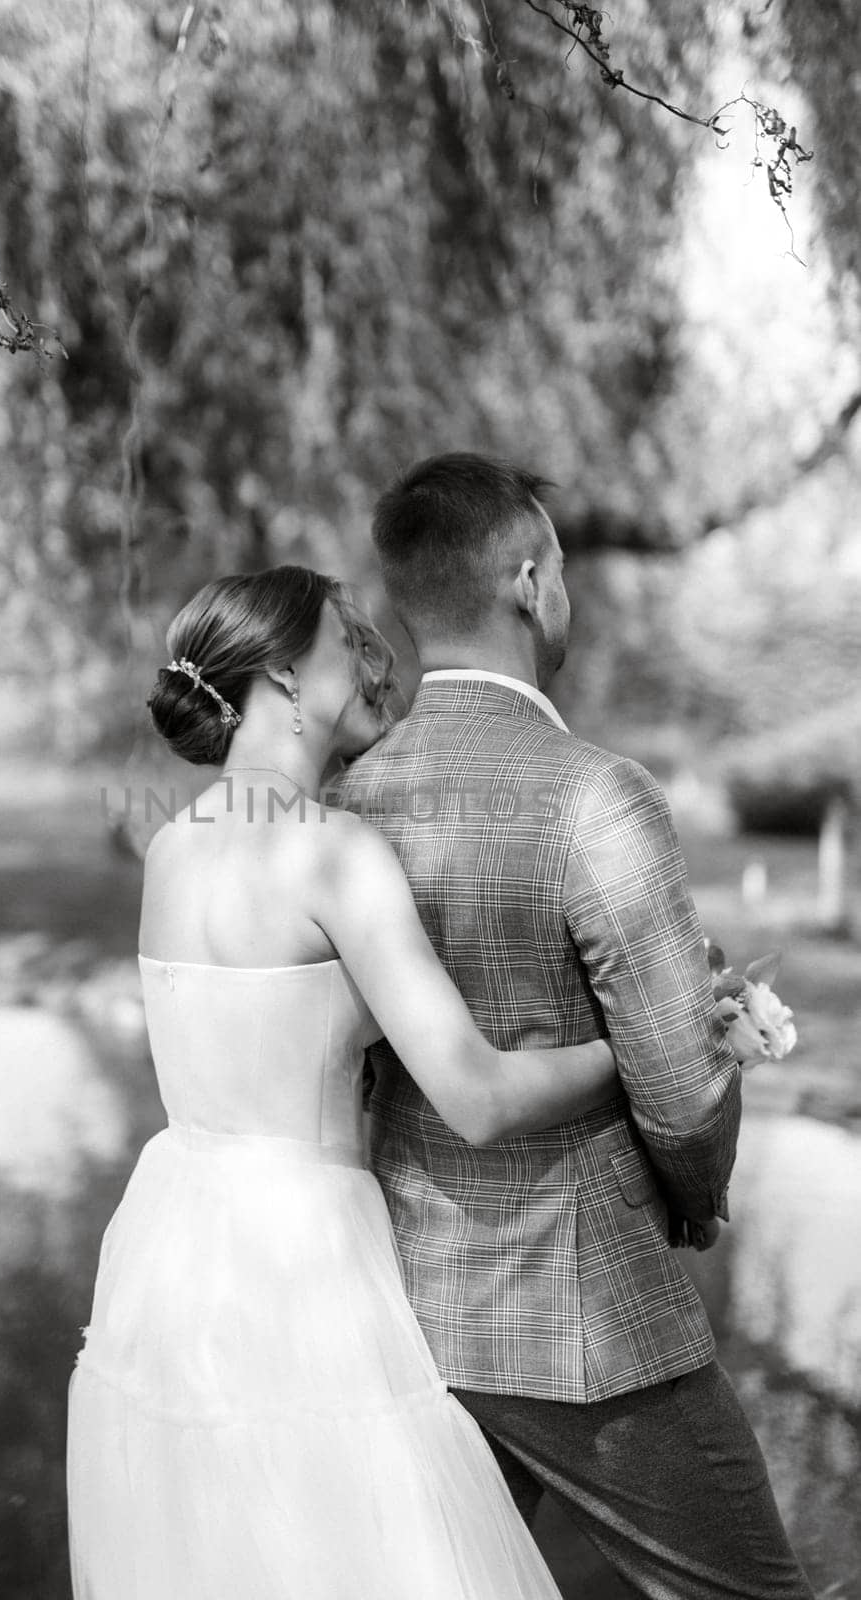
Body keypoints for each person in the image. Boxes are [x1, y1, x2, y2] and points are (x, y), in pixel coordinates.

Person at [66, 565, 622, 1600]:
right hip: (305, 1267)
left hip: (173, 1253)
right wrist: (632, 1055)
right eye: (347, 636)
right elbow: (477, 1095)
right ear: (283, 669)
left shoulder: (170, 851)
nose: (371, 652)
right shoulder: (335, 855)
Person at [336, 451, 816, 1600]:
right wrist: (698, 1195)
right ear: (529, 579)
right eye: (558, 568)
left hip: (414, 1306)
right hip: (586, 1320)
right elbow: (682, 1089)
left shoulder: (352, 793)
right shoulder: (595, 794)